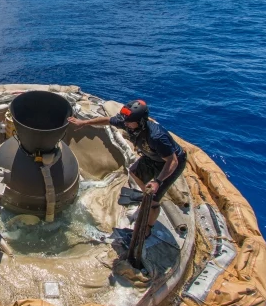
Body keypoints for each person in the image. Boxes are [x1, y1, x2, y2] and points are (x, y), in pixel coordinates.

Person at [68, 100, 187, 238]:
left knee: (153, 200)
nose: (125, 124)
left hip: (172, 162)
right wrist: (84, 123)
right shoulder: (128, 123)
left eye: (129, 122)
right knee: (134, 172)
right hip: (152, 157)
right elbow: (107, 120)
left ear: (141, 122)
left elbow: (172, 161)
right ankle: (145, 195)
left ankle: (146, 229)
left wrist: (158, 182)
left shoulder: (157, 136)